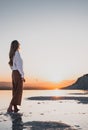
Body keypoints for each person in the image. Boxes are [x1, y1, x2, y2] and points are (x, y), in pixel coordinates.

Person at [7, 40, 25, 113]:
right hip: (17, 73)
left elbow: (11, 65)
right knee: (18, 91)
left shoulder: (12, 54)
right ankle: (10, 106)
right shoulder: (17, 53)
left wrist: (14, 71)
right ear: (17, 45)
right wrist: (22, 75)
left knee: (15, 90)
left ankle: (15, 107)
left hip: (13, 73)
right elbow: (19, 66)